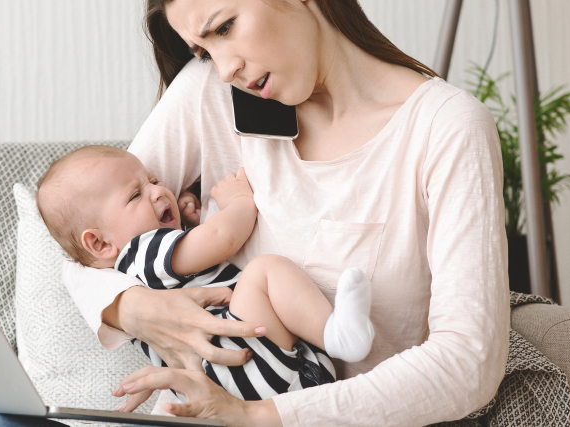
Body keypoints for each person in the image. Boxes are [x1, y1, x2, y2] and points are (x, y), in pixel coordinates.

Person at [0, 0, 508, 425]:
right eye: (203, 49)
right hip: (197, 413)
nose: (223, 68)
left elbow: (468, 365)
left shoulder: (445, 129)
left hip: (303, 411)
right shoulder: (218, 95)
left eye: (224, 28)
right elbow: (86, 238)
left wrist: (257, 416)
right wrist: (130, 307)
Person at [33, 145, 377, 401]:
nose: (157, 190)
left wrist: (188, 221)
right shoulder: (141, 253)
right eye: (136, 194)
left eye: (152, 179)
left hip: (245, 383)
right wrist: (239, 202)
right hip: (245, 361)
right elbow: (220, 239)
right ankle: (336, 333)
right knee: (264, 272)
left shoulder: (144, 268)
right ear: (100, 243)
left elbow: (197, 258)